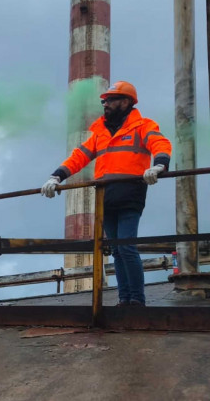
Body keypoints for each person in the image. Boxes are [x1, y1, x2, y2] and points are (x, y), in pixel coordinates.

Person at [40, 81, 171, 307]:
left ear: (126, 102)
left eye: (111, 100)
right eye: (105, 101)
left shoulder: (143, 126)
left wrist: (160, 164)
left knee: (126, 247)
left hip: (130, 194)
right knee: (117, 251)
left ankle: (137, 300)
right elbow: (79, 156)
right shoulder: (99, 132)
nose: (106, 104)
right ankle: (124, 299)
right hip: (105, 198)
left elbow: (159, 142)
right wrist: (56, 176)